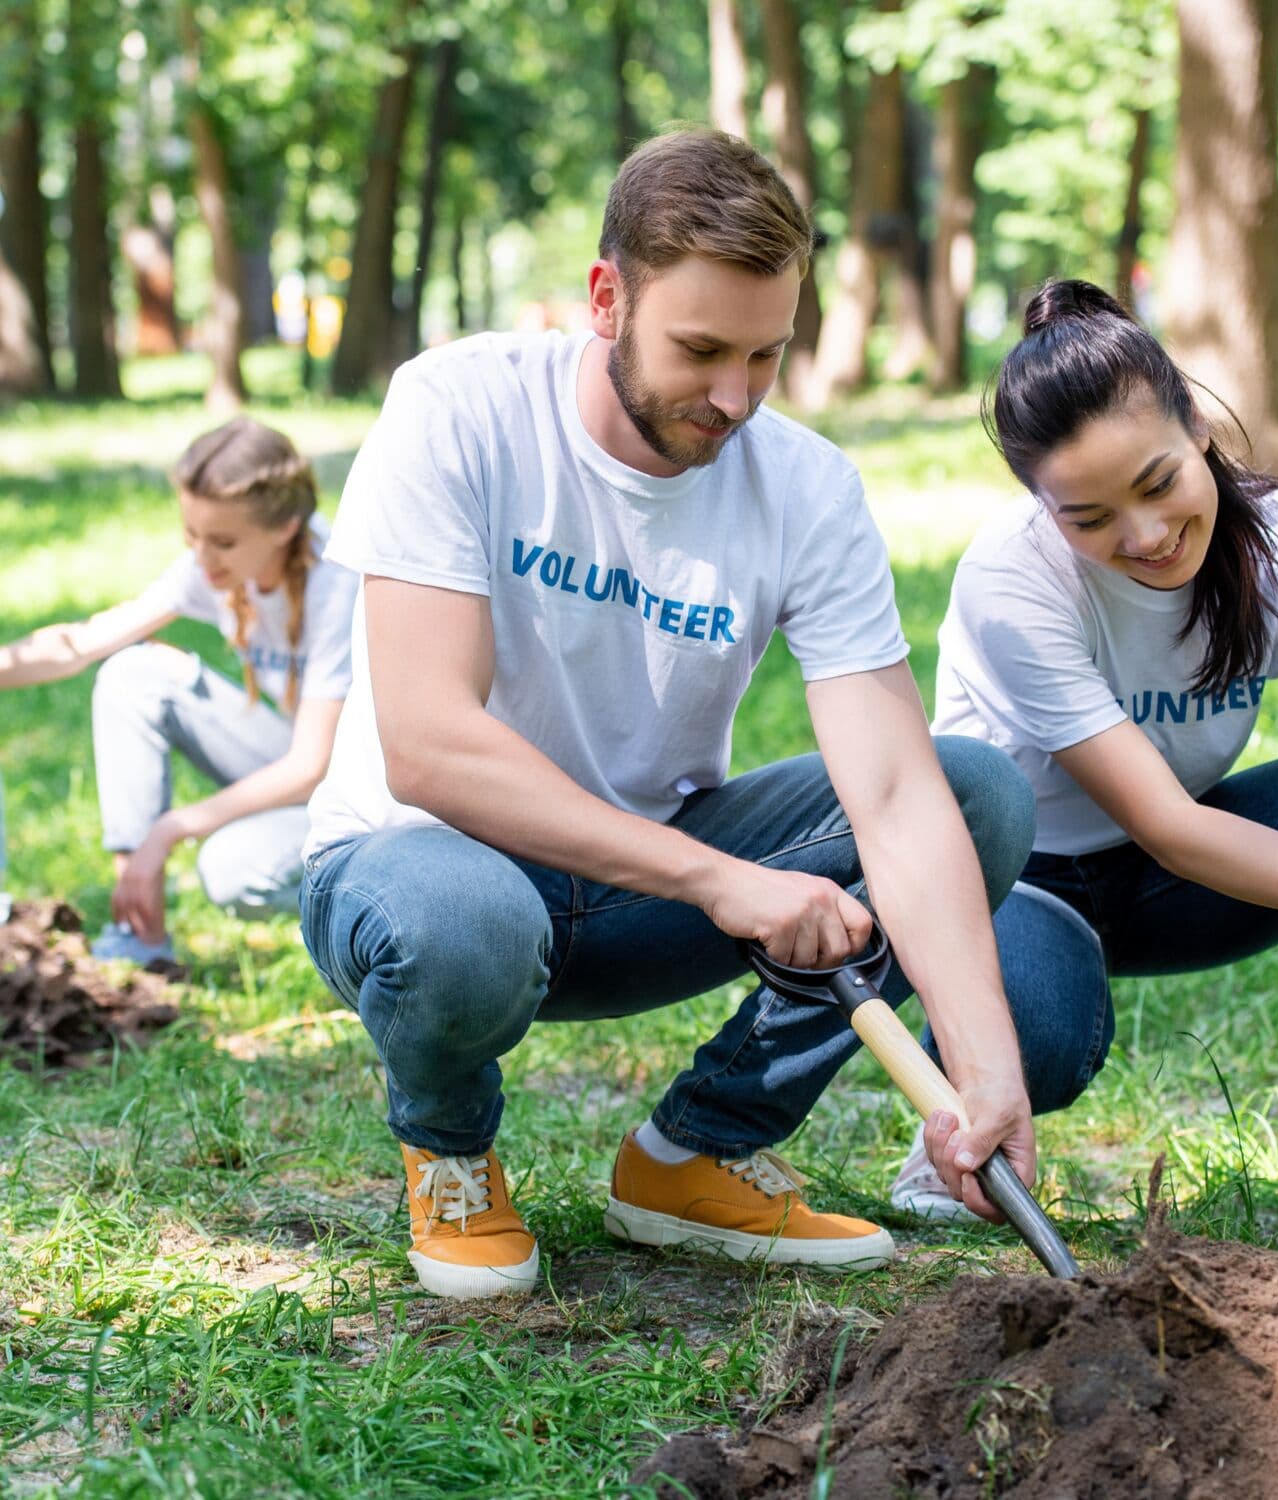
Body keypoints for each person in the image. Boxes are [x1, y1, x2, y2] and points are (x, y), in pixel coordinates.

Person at [298, 128, 1043, 1300]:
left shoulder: (805, 486)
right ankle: (448, 1153)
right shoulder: (457, 407)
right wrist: (716, 881)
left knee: (975, 791)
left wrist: (984, 1066)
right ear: (608, 298)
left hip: (641, 893)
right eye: (700, 351)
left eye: (768, 355)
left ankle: (693, 1155)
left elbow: (896, 796)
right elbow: (430, 743)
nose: (735, 398)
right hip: (424, 872)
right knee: (463, 921)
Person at [889, 280, 1278, 1280]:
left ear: (1202, 428)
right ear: (1043, 508)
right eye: (1089, 516)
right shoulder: (1013, 577)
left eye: (1160, 482)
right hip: (1017, 883)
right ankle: (963, 1119)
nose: (1143, 535)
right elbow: (1169, 823)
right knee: (1049, 1030)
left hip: (1170, 885)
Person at [0, 418, 357, 962]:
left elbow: (312, 765)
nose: (202, 558)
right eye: (191, 536)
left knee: (232, 870)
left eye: (223, 542)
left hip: (363, 794)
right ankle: (141, 932)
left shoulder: (338, 579)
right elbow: (81, 644)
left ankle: (384, 915)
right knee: (131, 674)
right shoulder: (212, 566)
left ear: (286, 526)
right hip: (294, 757)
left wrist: (169, 830)